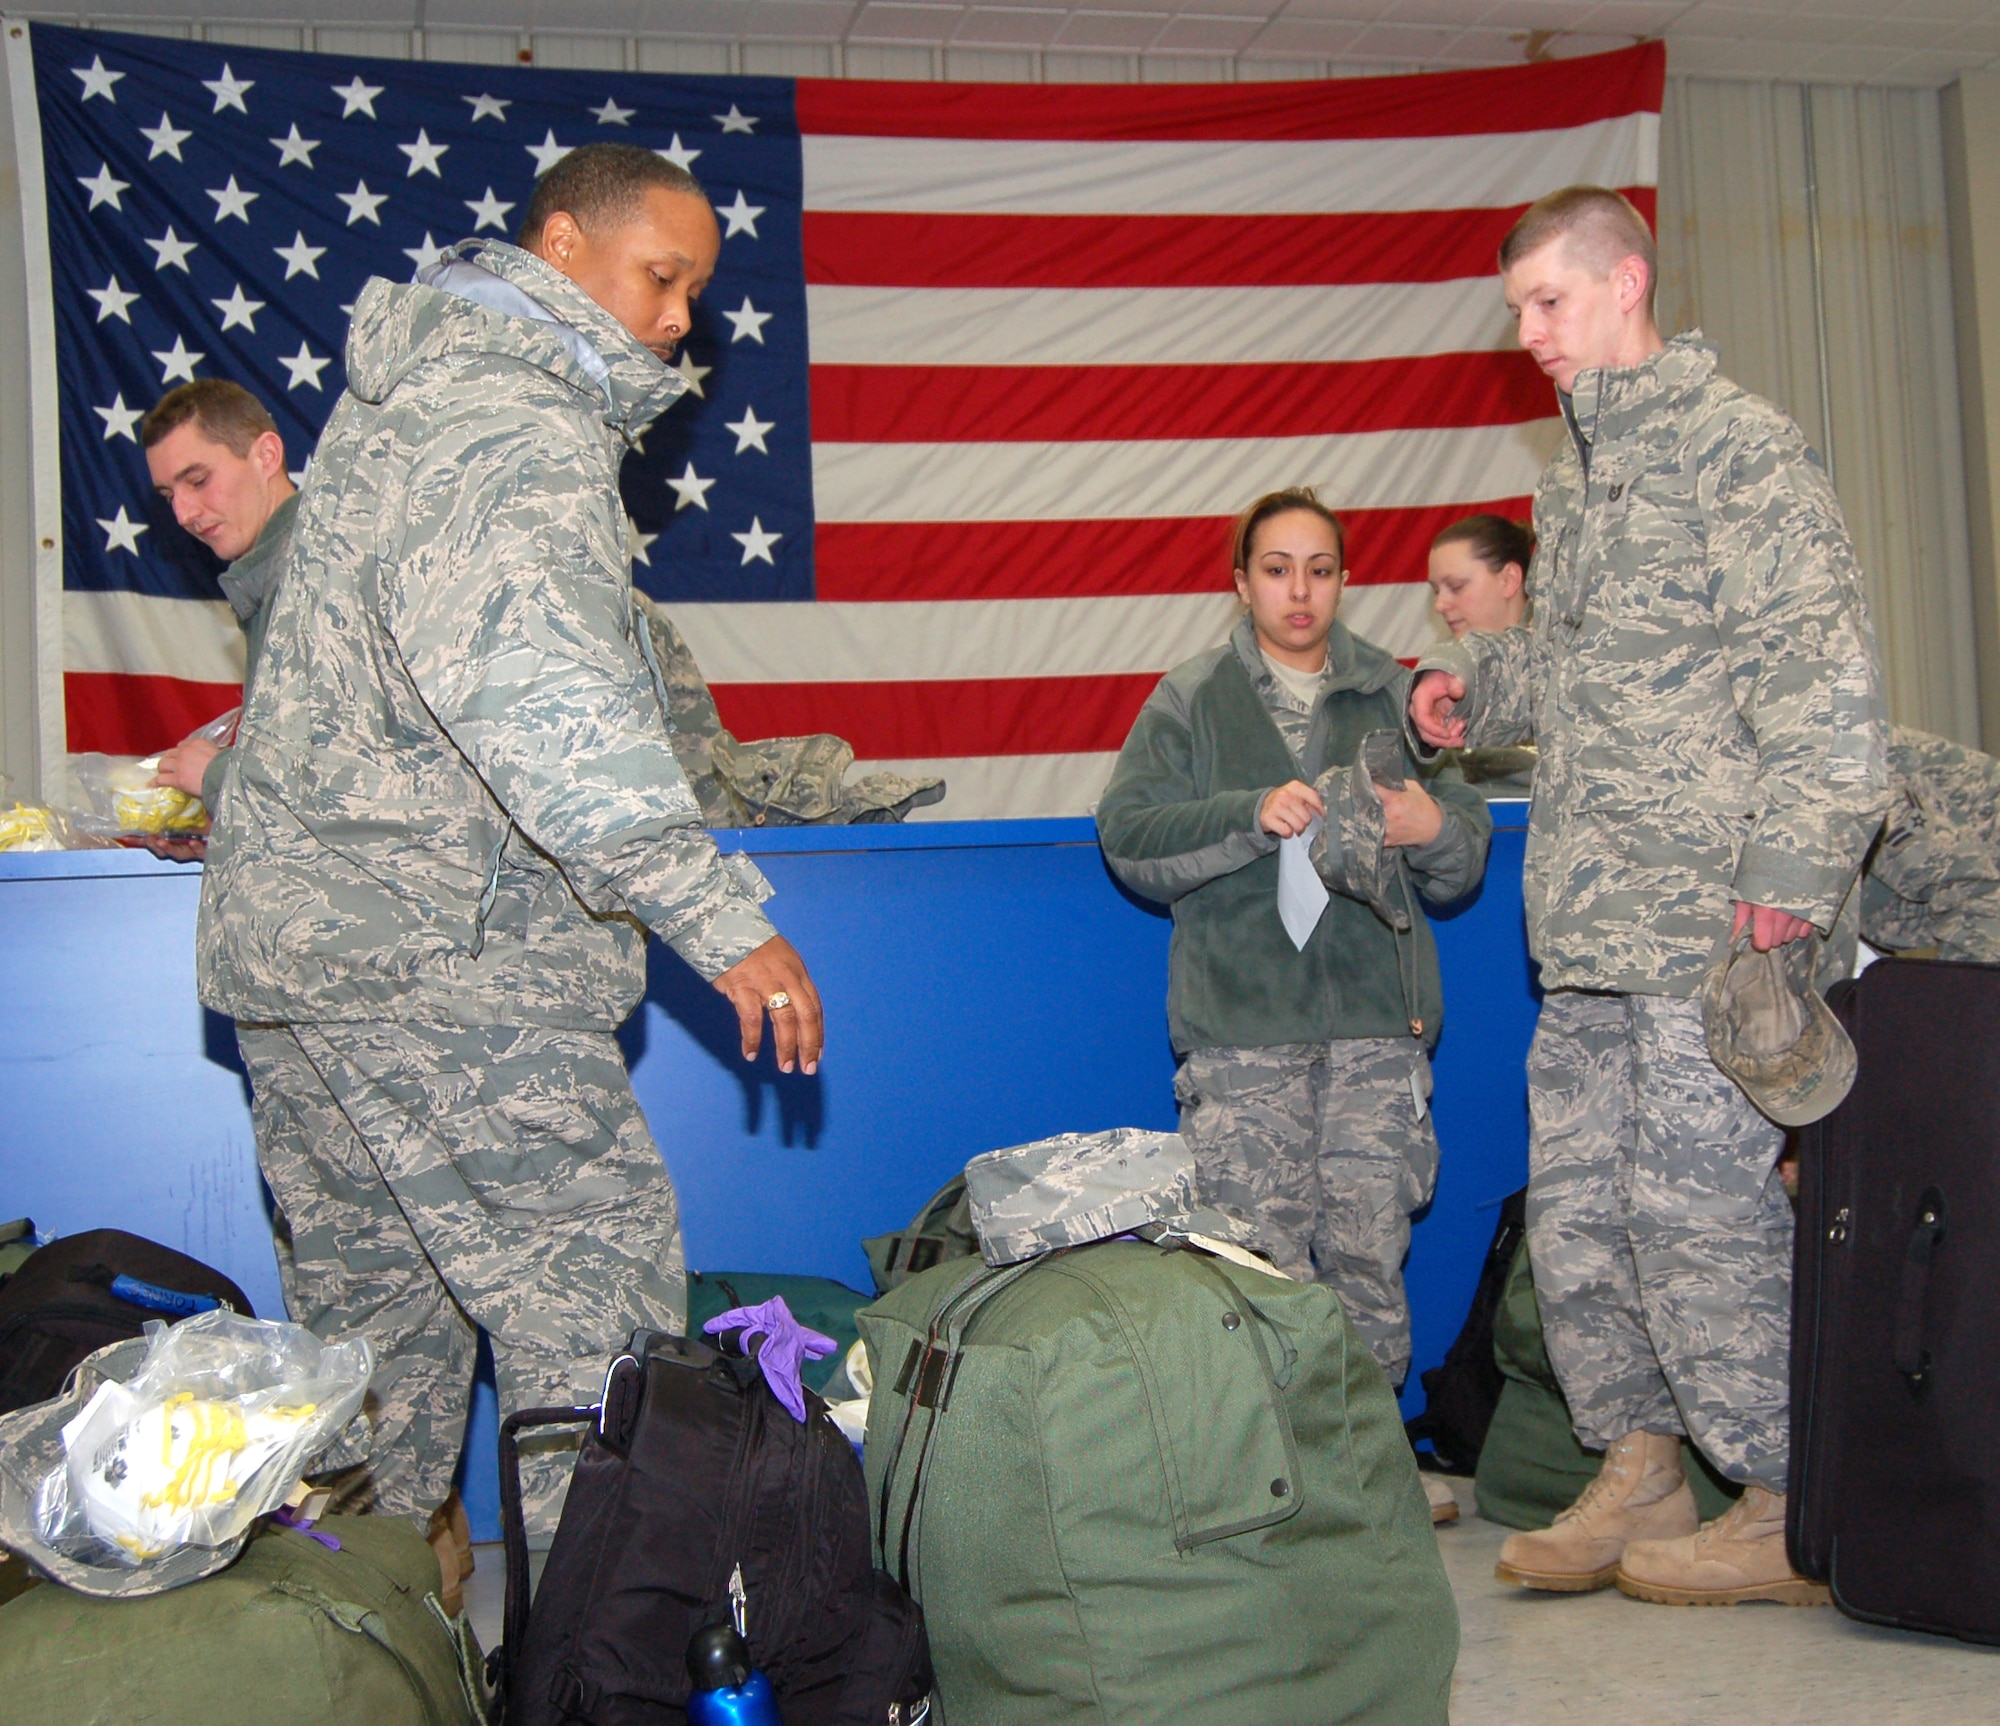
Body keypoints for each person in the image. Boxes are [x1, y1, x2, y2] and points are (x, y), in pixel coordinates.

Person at [196, 145, 823, 1597]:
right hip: (443, 960)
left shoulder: (409, 392)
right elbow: (534, 692)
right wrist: (717, 917)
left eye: (695, 291)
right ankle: (606, 1681)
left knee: (370, 1380)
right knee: (600, 1338)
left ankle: (354, 1666)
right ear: (559, 245)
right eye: (659, 278)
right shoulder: (509, 416)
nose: (678, 319)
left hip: (314, 962)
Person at [1408, 186, 1890, 1606]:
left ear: (1627, 282)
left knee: (1704, 1217)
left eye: (1549, 304)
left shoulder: (1737, 451)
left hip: (1711, 925)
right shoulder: (1580, 484)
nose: (1532, 335)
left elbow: (1828, 686)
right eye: (1518, 314)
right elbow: (1573, 683)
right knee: (1581, 1211)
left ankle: (1787, 1498)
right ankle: (1641, 1456)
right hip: (1593, 926)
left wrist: (1790, 888)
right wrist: (1472, 693)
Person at [1098, 487, 1492, 1400]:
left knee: (1368, 1257)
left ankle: (1370, 1475)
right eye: (1277, 571)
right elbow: (1127, 837)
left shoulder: (1399, 698)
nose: (1300, 592)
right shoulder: (1191, 699)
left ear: (1346, 581)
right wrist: (1248, 815)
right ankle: (1281, 1482)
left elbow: (1464, 858)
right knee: (1259, 1265)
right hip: (1242, 1034)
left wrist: (1429, 823)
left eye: (1320, 571)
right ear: (1242, 583)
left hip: (1374, 1032)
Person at [139, 380, 298, 836]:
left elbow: (348, 775)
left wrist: (214, 776)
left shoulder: (315, 573)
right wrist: (223, 843)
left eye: (198, 480)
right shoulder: (274, 576)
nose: (184, 514)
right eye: (170, 496)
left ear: (266, 456)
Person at [1425, 515, 1538, 795]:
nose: (1440, 604)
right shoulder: (1439, 677)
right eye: (1437, 591)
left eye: (1457, 586)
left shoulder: (1563, 665)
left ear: (1509, 579)